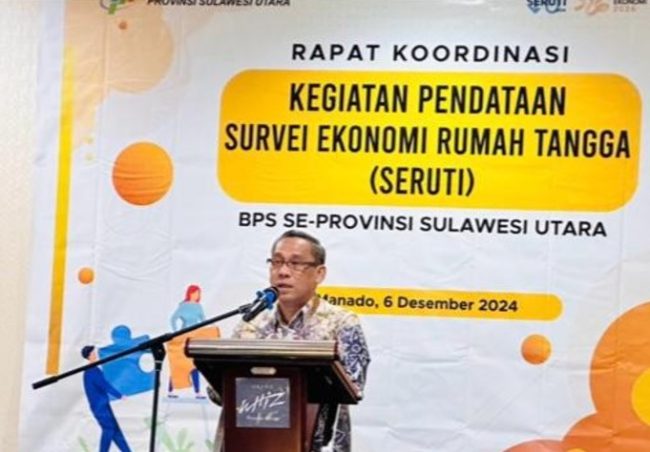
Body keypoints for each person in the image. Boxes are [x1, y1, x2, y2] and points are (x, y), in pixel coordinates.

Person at [214, 230, 371, 451]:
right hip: (249, 442)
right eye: (277, 262)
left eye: (295, 264)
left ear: (319, 274)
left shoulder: (341, 323)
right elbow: (220, 392)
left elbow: (354, 386)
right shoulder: (252, 322)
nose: (283, 272)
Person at [81, 345, 131, 452]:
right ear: (89, 356)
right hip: (99, 406)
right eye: (93, 353)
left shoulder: (93, 370)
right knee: (109, 429)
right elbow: (104, 385)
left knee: (115, 430)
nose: (95, 355)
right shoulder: (92, 371)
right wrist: (119, 395)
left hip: (103, 404)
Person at [168, 284, 207, 398]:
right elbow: (173, 319)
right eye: (195, 293)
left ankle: (197, 392)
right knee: (179, 364)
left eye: (198, 293)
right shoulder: (184, 306)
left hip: (195, 338)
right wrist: (176, 333)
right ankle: (170, 390)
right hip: (183, 337)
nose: (197, 295)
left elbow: (203, 321)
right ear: (190, 293)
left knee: (194, 365)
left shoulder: (198, 306)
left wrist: (203, 332)